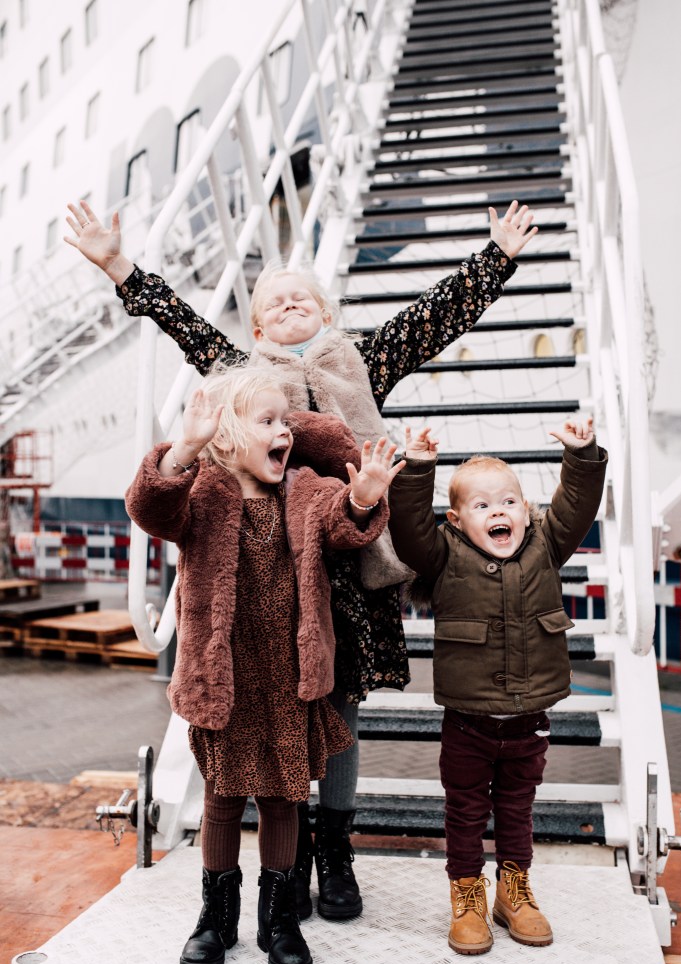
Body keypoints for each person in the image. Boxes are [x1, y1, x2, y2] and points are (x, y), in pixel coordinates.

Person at [65, 197, 537, 921]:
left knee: (338, 710)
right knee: (274, 708)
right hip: (273, 567)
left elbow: (435, 317)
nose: (290, 305)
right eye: (274, 303)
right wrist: (117, 265)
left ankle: (335, 852)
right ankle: (285, 861)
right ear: (257, 330)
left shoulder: (361, 360)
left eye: (302, 299)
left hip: (352, 563)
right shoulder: (243, 377)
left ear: (325, 315)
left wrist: (496, 257)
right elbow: (181, 320)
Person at [125, 364, 405, 964]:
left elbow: (343, 524)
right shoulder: (201, 492)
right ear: (227, 436)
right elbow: (150, 508)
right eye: (268, 421)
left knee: (283, 803)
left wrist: (363, 495)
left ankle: (279, 920)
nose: (285, 431)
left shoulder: (305, 490)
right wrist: (185, 448)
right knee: (222, 801)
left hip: (287, 681)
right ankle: (215, 917)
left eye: (286, 422)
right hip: (224, 681)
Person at [387, 418, 607, 955]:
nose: (498, 512)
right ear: (457, 520)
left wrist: (581, 456)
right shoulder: (444, 554)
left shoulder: (545, 544)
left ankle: (514, 891)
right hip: (468, 722)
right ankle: (467, 895)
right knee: (464, 811)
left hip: (529, 719)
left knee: (517, 807)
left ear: (526, 511)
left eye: (508, 502)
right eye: (482, 506)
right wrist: (418, 467)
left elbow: (576, 508)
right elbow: (409, 532)